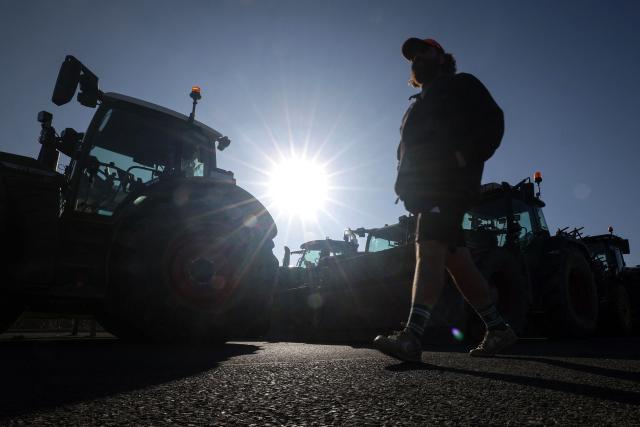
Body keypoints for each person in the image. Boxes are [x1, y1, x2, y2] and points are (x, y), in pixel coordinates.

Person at [373, 37, 517, 362]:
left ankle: (412, 336)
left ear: (441, 56)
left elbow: (493, 120)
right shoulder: (417, 104)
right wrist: (405, 185)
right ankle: (498, 329)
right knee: (457, 261)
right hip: (425, 191)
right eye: (413, 56)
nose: (417, 58)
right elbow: (410, 151)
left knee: (429, 249)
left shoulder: (460, 85)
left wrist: (464, 156)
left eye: (424, 51)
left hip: (448, 185)